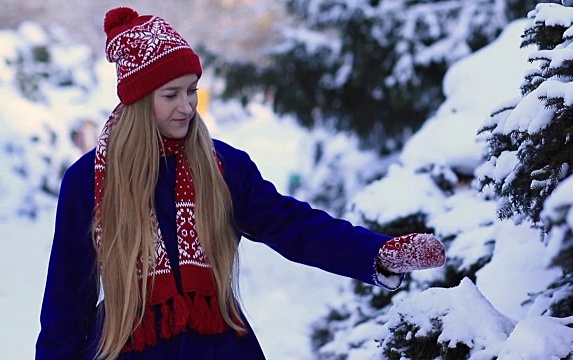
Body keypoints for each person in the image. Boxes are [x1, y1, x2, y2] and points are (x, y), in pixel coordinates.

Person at [35, 7, 446, 360]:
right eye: (171, 94)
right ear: (139, 100)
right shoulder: (88, 182)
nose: (188, 106)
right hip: (126, 345)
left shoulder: (222, 166)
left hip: (218, 345)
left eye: (192, 91)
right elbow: (67, 299)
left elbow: (294, 226)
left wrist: (377, 253)